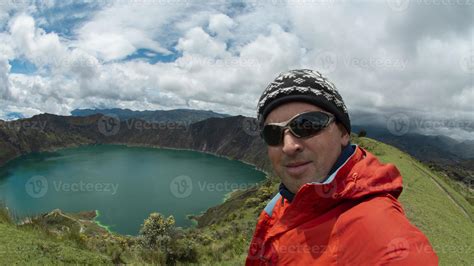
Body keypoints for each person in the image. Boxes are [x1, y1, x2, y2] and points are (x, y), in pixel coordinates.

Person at [246, 69, 438, 265]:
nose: (288, 146)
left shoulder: (389, 249)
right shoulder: (279, 204)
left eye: (307, 125)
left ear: (343, 133)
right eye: (272, 133)